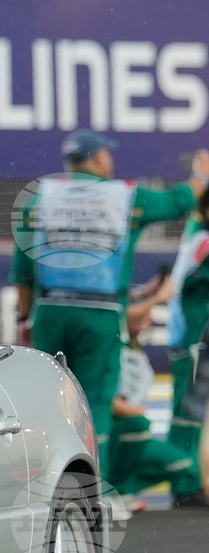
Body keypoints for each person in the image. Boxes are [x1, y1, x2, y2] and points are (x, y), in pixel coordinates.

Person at [11, 128, 209, 477]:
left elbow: (23, 268)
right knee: (94, 405)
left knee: (51, 404)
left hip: (50, 311)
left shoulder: (39, 198)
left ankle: (47, 484)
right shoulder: (123, 197)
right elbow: (179, 201)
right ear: (100, 158)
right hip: (99, 316)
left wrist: (25, 317)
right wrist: (201, 176)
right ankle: (92, 491)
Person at [108, 275, 203, 516]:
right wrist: (158, 298)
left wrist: (149, 293)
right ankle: (113, 489)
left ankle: (123, 487)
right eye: (142, 312)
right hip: (115, 431)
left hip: (129, 433)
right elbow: (104, 399)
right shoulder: (108, 344)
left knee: (184, 465)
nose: (148, 317)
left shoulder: (138, 352)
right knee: (137, 424)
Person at [165, 187, 209, 506]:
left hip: (192, 337)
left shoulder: (198, 237)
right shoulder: (203, 242)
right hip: (192, 339)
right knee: (188, 410)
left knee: (192, 409)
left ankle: (188, 479)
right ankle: (184, 481)